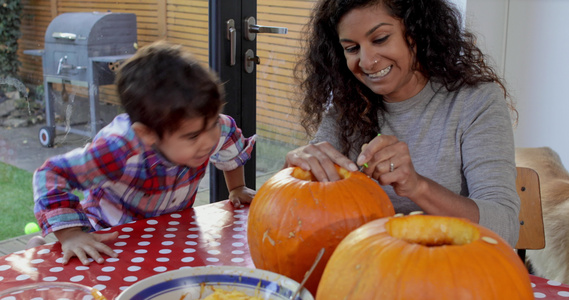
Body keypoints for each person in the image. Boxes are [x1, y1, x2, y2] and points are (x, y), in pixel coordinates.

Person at [286, 0, 520, 246]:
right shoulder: (348, 104)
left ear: (417, 31)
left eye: (380, 39)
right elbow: (292, 211)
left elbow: (505, 229)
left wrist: (417, 186)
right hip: (365, 266)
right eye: (352, 48)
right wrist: (296, 169)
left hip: (451, 274)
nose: (366, 62)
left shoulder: (476, 101)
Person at [31, 41, 256, 265]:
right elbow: (50, 175)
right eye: (193, 136)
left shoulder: (204, 124)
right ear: (147, 133)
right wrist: (71, 234)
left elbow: (229, 139)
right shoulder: (116, 148)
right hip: (107, 234)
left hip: (166, 229)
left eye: (213, 123)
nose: (208, 141)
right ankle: (49, 249)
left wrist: (236, 187)